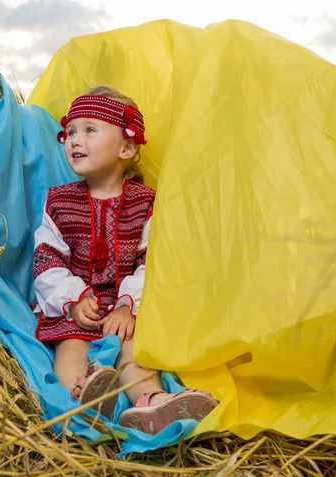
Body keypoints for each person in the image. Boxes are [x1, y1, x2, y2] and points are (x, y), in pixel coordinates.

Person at [32, 85, 218, 434]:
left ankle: (151, 401)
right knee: (71, 346)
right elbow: (47, 260)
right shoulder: (58, 201)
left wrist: (128, 304)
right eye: (70, 131)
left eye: (89, 130)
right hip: (79, 304)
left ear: (127, 147)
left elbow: (154, 261)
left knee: (134, 347)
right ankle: (83, 397)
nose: (74, 140)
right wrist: (73, 300)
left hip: (125, 304)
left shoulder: (145, 203)